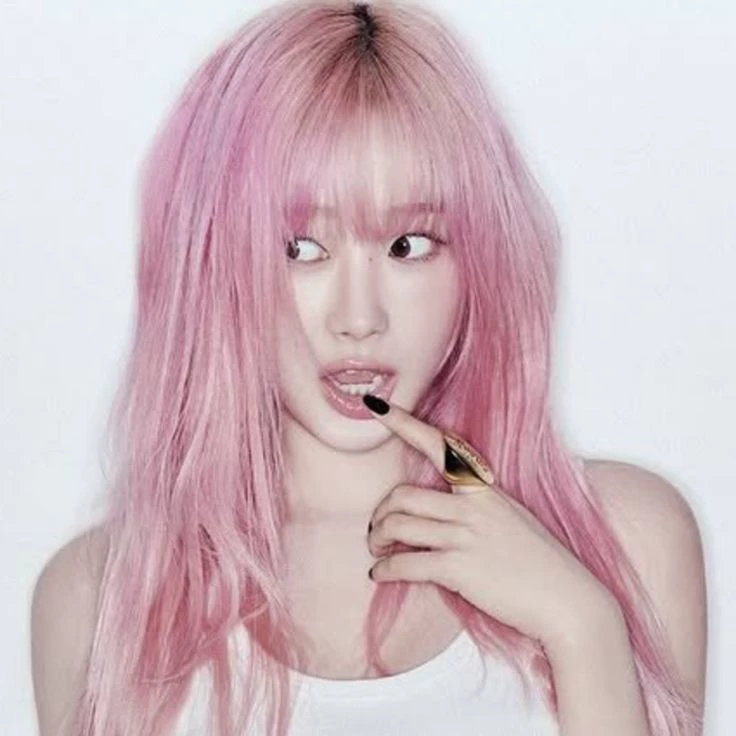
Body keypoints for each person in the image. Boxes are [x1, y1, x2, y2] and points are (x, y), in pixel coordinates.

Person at [30, 1, 707, 734]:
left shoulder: (627, 538)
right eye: (300, 249)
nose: (359, 317)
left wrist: (582, 628)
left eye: (408, 245)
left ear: (480, 259)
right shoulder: (103, 598)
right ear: (215, 261)